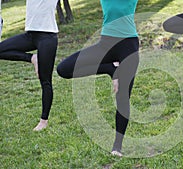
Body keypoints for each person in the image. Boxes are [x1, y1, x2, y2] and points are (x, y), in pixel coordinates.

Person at [57, 0, 139, 157]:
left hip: (128, 46)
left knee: (123, 97)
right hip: (105, 44)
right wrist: (109, 68)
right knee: (63, 69)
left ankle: (117, 147)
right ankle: (110, 69)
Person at [0, 0, 59, 131]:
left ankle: (43, 121)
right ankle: (32, 58)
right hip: (30, 35)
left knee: (45, 81)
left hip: (47, 37)